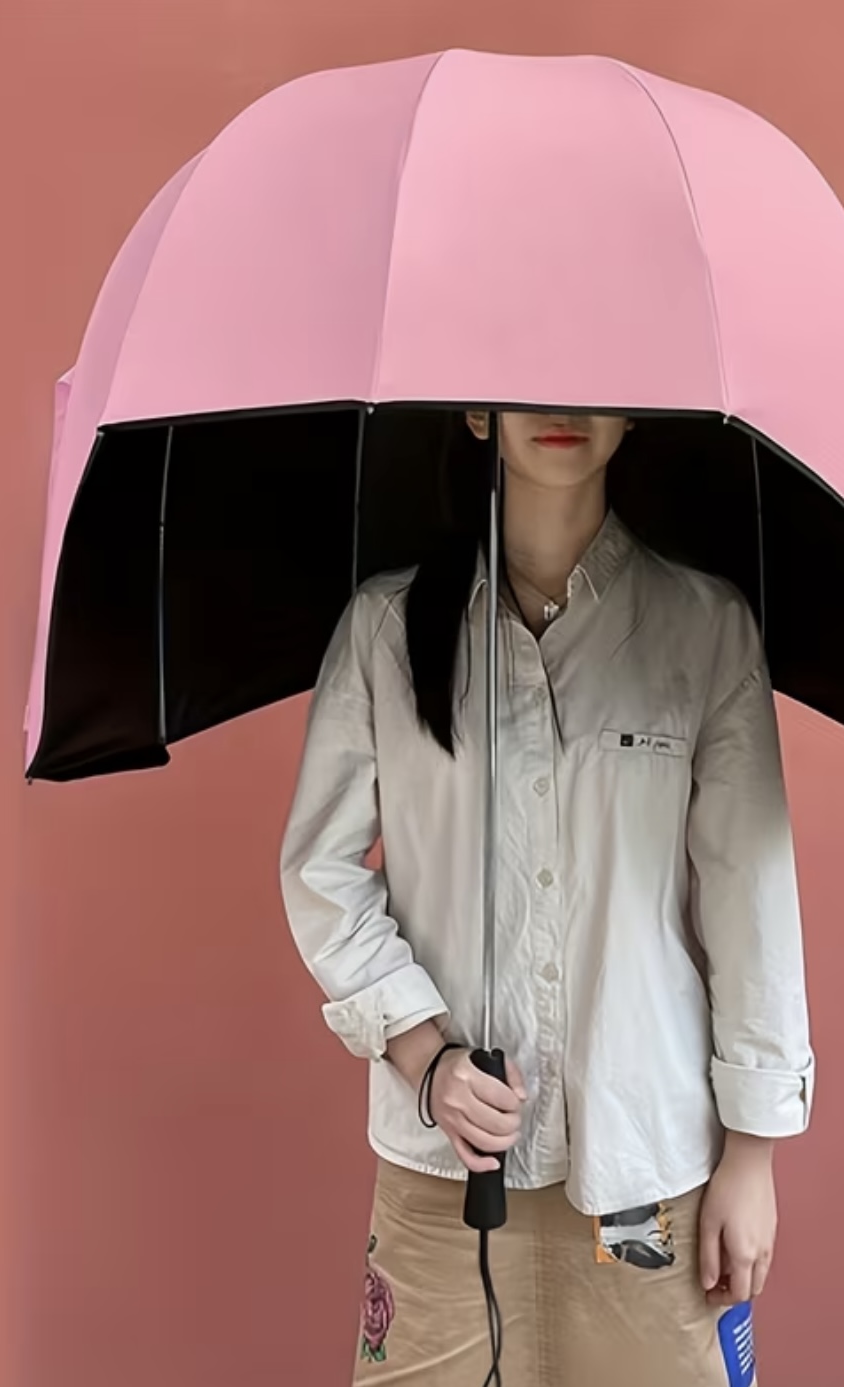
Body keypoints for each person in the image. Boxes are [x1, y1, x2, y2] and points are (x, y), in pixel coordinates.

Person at [280, 411, 814, 1386]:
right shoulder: (387, 629)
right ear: (477, 410)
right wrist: (425, 1055)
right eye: (525, 378)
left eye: (591, 379)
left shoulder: (701, 627)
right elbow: (320, 870)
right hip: (443, 1184)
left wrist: (752, 1156)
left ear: (633, 408)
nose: (559, 407)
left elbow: (751, 901)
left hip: (645, 1172)